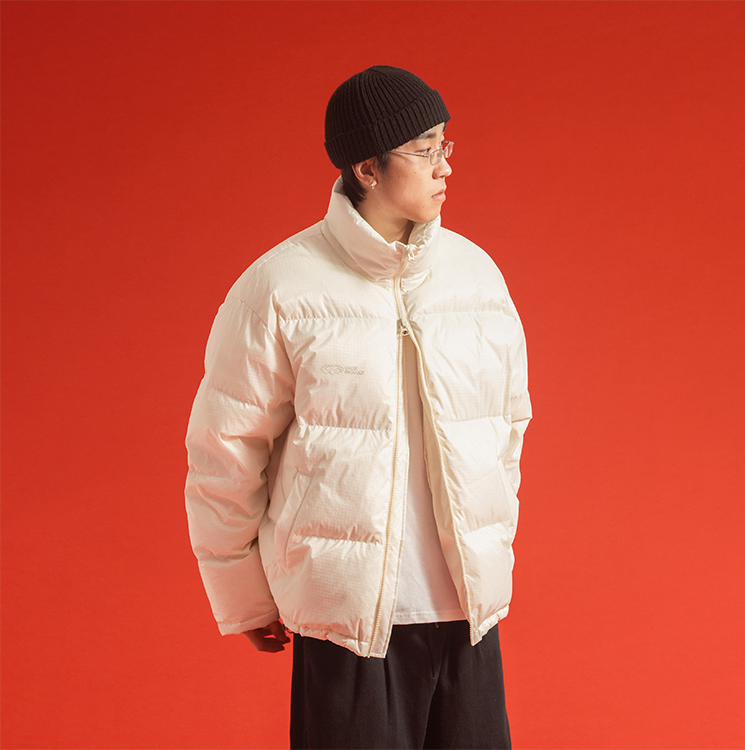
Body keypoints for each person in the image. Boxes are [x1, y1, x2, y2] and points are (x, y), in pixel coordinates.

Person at [185, 65, 531, 749]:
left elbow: (508, 430)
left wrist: (490, 558)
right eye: (424, 151)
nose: (445, 167)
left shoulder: (477, 278)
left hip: (467, 616)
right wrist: (242, 593)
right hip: (347, 626)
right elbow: (225, 449)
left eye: (445, 146)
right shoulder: (279, 287)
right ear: (367, 168)